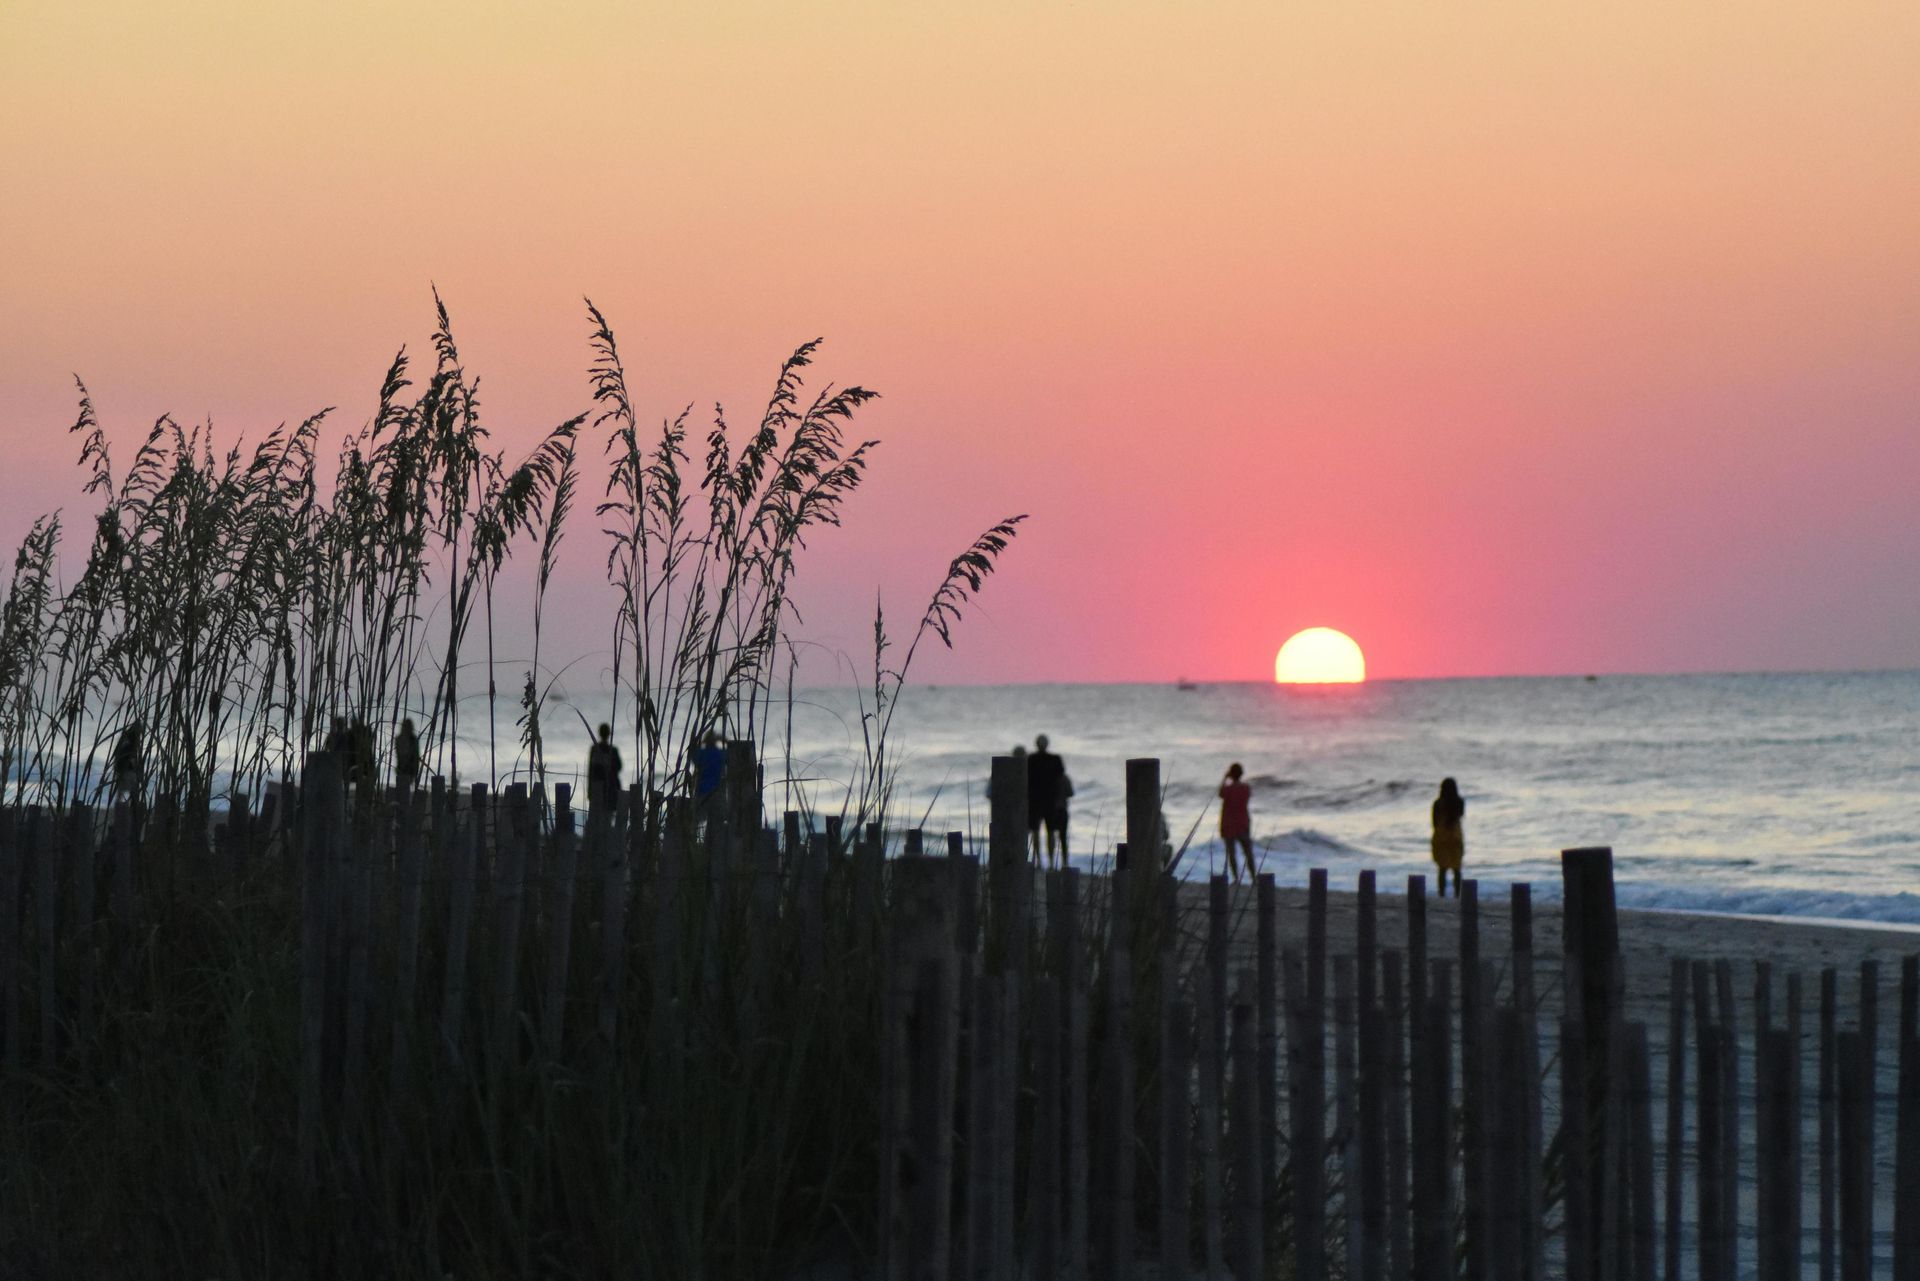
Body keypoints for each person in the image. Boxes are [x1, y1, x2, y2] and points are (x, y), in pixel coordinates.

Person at [1026, 734, 1069, 865]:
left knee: (1042, 832)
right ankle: (1044, 860)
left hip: (1040, 801)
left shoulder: (1031, 759)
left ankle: (1042, 860)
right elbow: (1060, 778)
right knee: (1043, 832)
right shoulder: (1053, 760)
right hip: (1045, 801)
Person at [1431, 777, 1466, 898]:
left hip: (1441, 837)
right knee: (1457, 868)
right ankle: (1457, 895)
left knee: (1442, 869)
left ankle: (1441, 894)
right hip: (1456, 836)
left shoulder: (1438, 803)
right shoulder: (1460, 802)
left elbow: (1434, 822)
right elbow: (1461, 816)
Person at [1219, 762, 1253, 885]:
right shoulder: (1246, 788)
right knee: (1248, 852)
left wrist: (1224, 778)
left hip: (1229, 824)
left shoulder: (1228, 789)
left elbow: (1220, 793)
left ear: (1231, 774)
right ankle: (1254, 878)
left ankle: (1236, 879)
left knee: (1232, 854)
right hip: (1243, 822)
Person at [693, 729, 727, 827]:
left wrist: (698, 741)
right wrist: (724, 740)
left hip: (702, 792)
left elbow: (692, 754)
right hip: (718, 792)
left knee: (696, 821)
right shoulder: (721, 754)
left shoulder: (701, 754)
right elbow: (735, 754)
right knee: (717, 825)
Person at [587, 723, 623, 814]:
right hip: (611, 787)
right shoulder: (613, 750)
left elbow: (590, 771)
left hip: (598, 788)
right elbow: (619, 767)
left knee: (597, 817)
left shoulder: (595, 749)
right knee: (607, 816)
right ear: (609, 734)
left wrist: (589, 790)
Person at [110, 720, 143, 803]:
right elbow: (129, 754)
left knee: (122, 789)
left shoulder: (125, 737)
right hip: (126, 767)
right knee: (132, 787)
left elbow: (118, 752)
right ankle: (131, 806)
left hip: (121, 767)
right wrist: (136, 766)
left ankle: (121, 805)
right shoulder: (131, 739)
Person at [393, 718, 421, 792]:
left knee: (403, 790)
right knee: (403, 790)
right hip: (403, 768)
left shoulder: (412, 739)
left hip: (408, 769)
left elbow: (415, 756)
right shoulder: (400, 738)